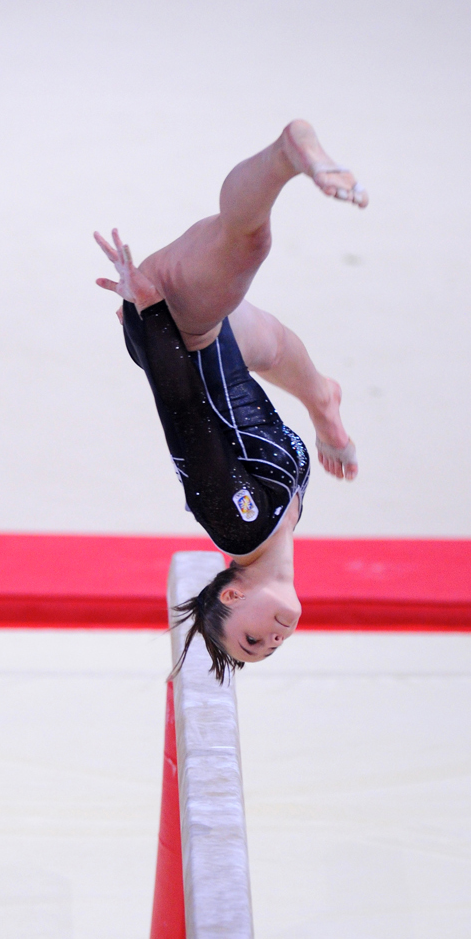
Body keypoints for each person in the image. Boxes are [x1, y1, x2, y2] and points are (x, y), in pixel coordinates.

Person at [95, 120, 365, 681]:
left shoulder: (238, 527)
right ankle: (322, 399)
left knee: (245, 241)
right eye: (270, 648)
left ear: (235, 596)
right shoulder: (283, 524)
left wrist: (152, 316)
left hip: (182, 331)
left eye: (251, 639)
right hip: (229, 343)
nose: (273, 638)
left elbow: (185, 421)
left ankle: (289, 154)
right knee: (274, 349)